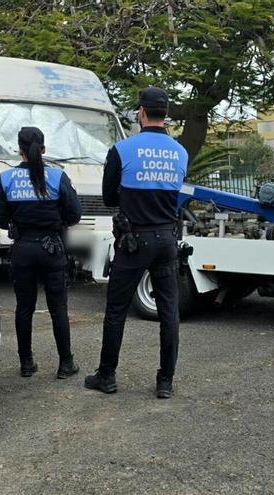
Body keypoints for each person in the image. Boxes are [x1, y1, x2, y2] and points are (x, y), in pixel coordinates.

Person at [84, 86, 188, 399]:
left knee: (116, 309)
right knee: (169, 311)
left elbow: (107, 197)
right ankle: (165, 381)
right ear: (165, 114)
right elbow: (174, 191)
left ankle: (107, 376)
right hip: (167, 239)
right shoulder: (180, 152)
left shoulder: (122, 150)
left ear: (141, 113)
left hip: (133, 241)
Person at [0, 127, 83, 379]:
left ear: (19, 150)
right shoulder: (57, 177)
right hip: (51, 248)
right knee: (58, 308)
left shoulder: (6, 178)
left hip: (22, 249)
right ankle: (66, 364)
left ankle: (26, 364)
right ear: (43, 149)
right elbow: (74, 214)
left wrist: (16, 221)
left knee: (24, 308)